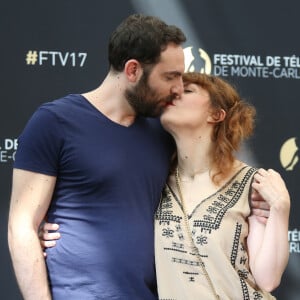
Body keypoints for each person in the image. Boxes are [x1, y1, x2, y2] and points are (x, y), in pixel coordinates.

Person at [7, 13, 187, 300]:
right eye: (170, 77)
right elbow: (22, 226)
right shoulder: (54, 122)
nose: (178, 88)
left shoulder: (165, 132)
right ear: (132, 70)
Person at [154, 72, 290, 299]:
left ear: (216, 115)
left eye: (187, 91)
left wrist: (280, 208)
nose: (175, 93)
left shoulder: (253, 183)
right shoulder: (152, 180)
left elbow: (268, 278)